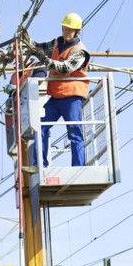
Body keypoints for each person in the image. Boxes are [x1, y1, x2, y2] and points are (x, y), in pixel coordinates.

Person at [28, 12, 91, 167]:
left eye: (70, 30)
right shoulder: (58, 42)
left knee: (74, 132)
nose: (67, 32)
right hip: (56, 97)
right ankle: (39, 164)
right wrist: (28, 42)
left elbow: (65, 68)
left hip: (71, 97)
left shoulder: (80, 51)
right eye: (65, 28)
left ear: (77, 32)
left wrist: (45, 59)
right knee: (40, 126)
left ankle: (78, 167)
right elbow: (40, 47)